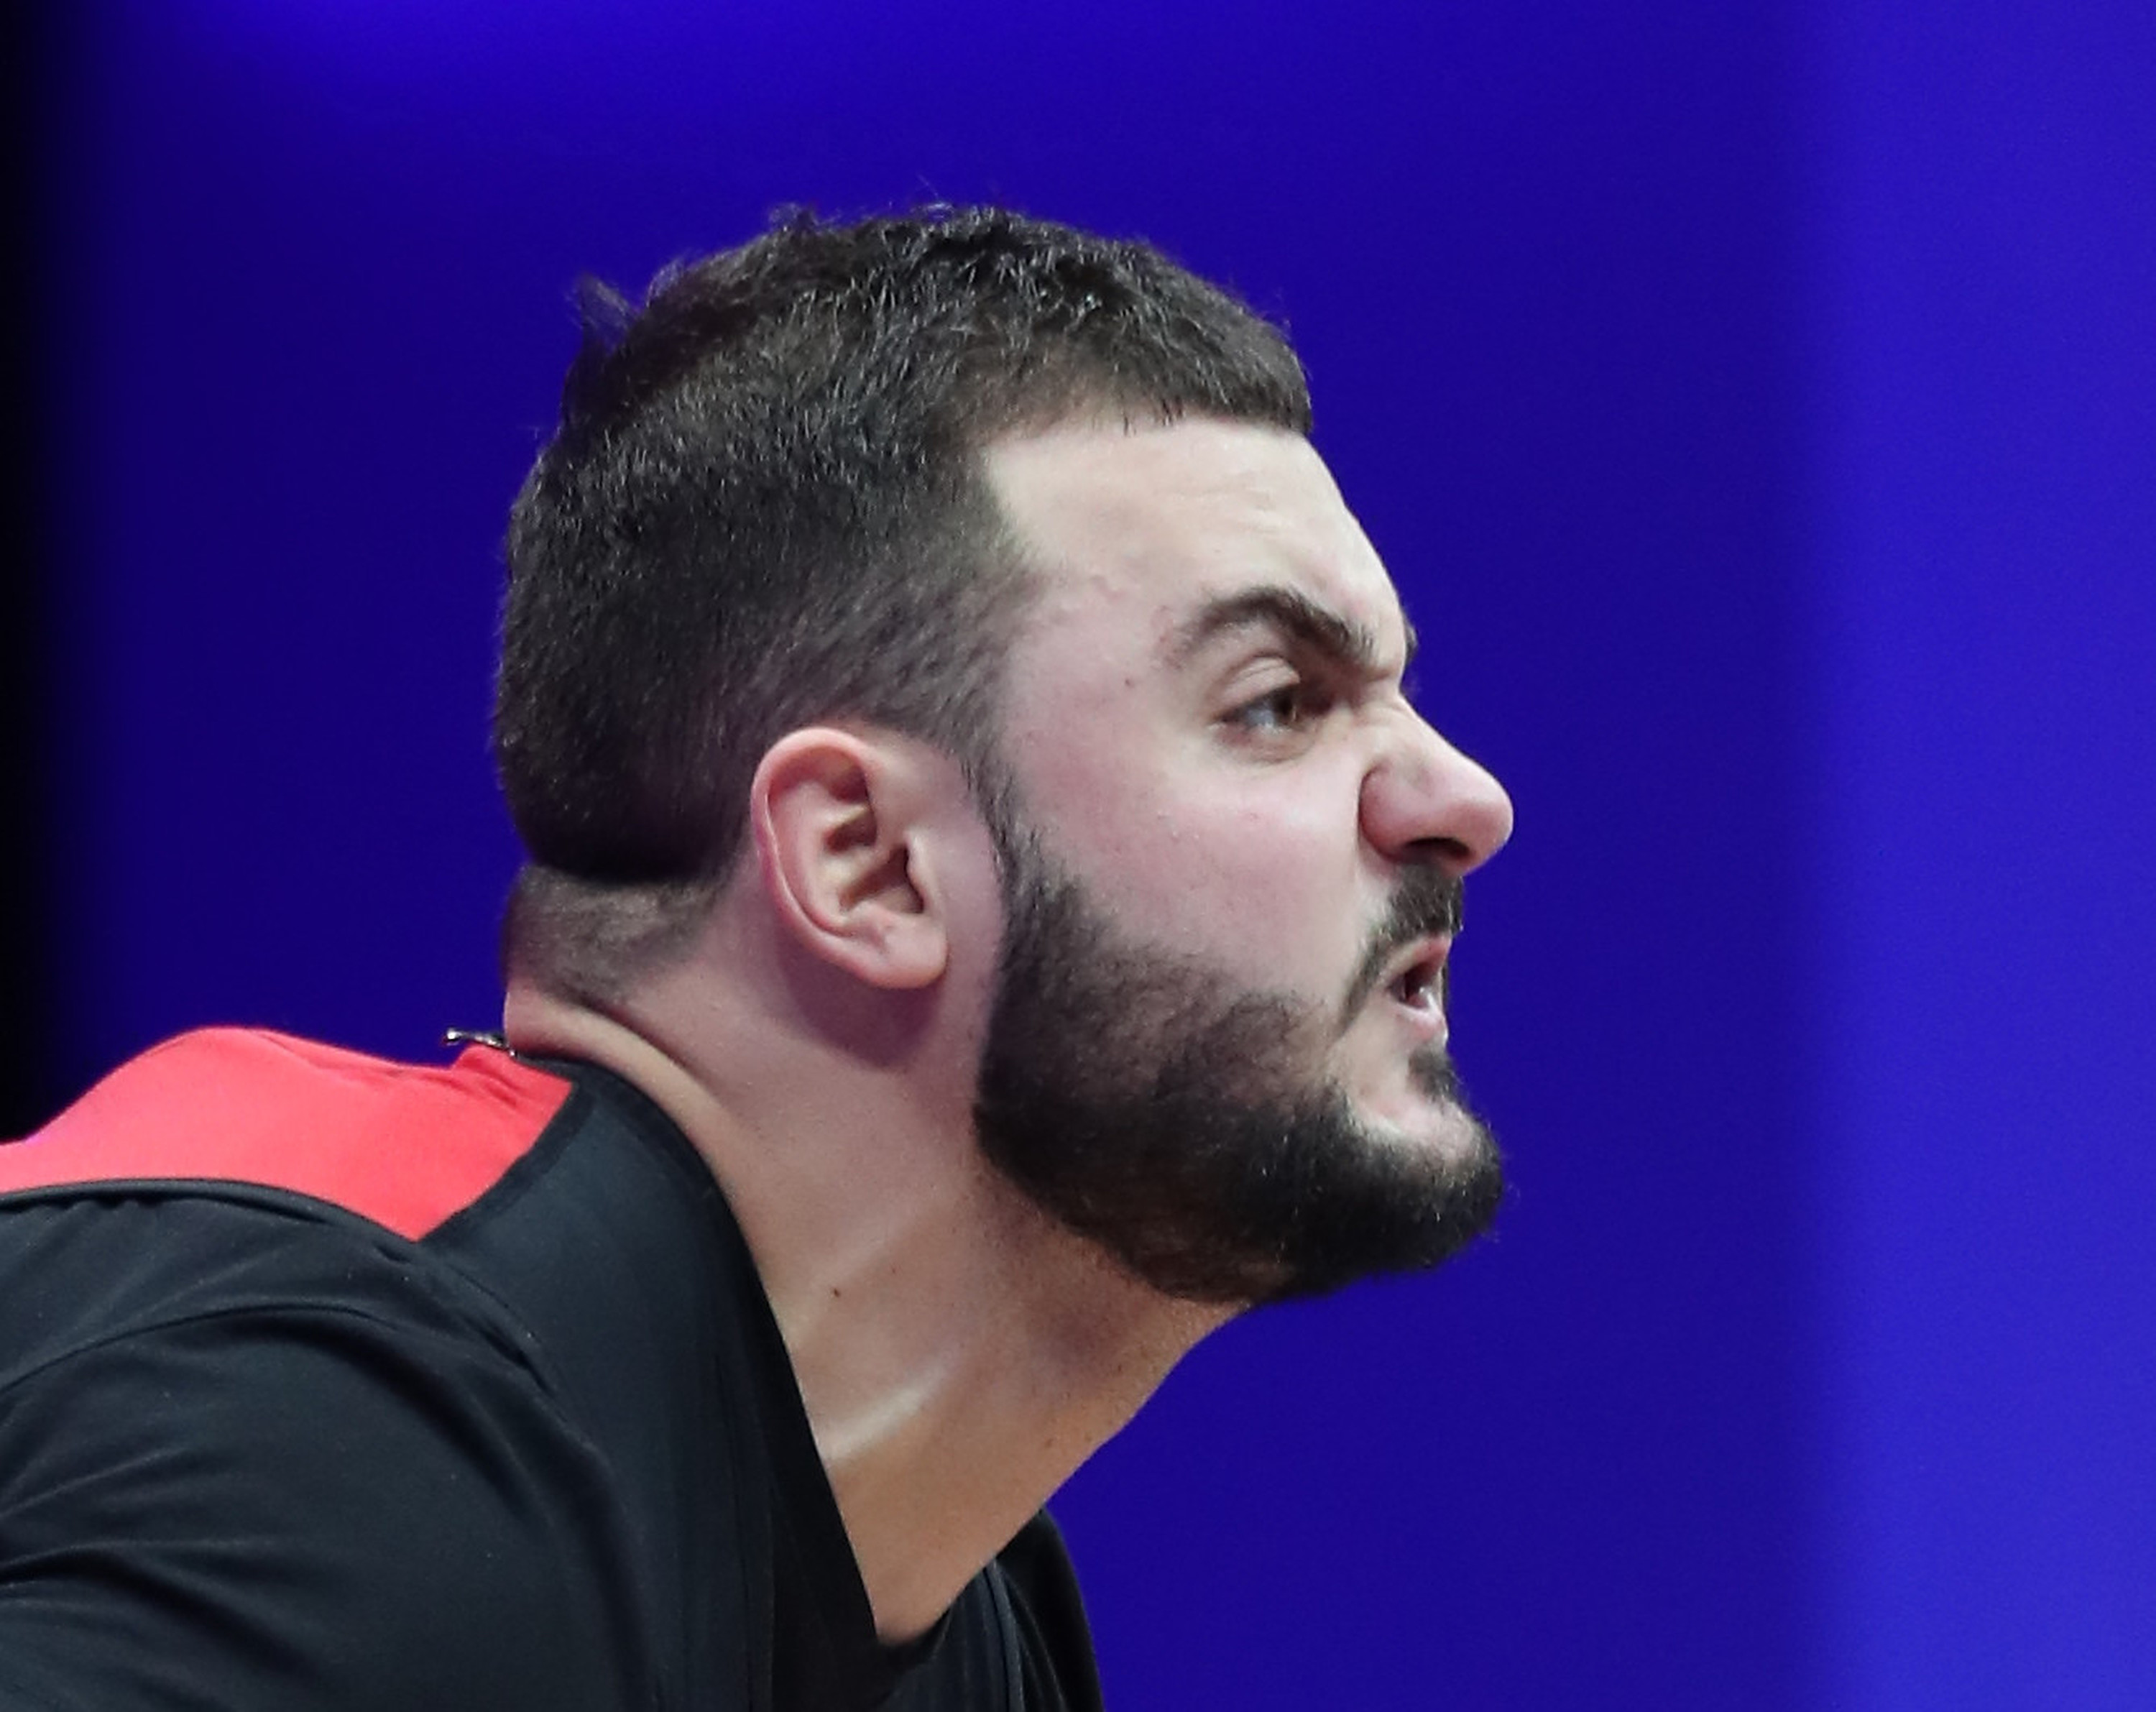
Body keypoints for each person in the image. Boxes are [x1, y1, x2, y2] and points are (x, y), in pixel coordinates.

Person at [0, 208, 1514, 1709]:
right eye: (1277, 702)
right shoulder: (362, 1435)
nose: (1465, 798)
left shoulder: (963, 1614)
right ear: (865, 860)